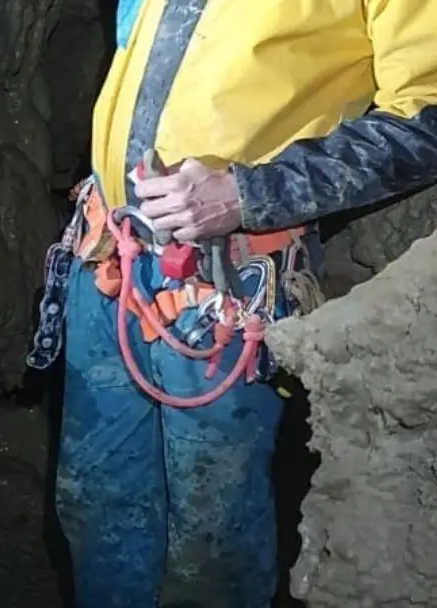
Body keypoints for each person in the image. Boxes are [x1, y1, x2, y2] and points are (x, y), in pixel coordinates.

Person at [29, 1, 437, 606]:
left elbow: (426, 118)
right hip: (110, 260)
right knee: (96, 497)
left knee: (210, 530)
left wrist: (249, 194)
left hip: (230, 280)